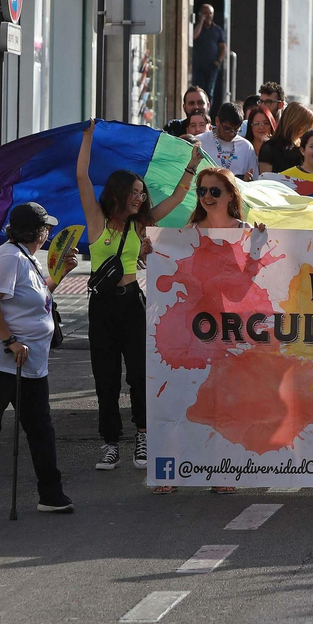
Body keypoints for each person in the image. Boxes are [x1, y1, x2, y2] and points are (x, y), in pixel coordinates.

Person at [76, 121, 202, 473]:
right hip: (101, 304)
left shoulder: (140, 224)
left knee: (138, 374)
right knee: (105, 376)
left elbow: (177, 198)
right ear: (118, 193)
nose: (140, 197)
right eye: (134, 192)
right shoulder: (97, 219)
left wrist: (191, 165)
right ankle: (110, 443)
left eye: (141, 192)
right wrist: (87, 138)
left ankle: (143, 436)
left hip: (132, 301)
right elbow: (83, 179)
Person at [0, 202, 75, 517]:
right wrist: (9, 340)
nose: (50, 232)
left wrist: (61, 275)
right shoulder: (9, 256)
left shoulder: (26, 257)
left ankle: (51, 494)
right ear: (37, 232)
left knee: (41, 427)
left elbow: (38, 298)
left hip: (31, 363)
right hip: (2, 361)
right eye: (47, 228)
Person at [198, 102, 259, 179]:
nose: (232, 134)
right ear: (217, 121)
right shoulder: (200, 142)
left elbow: (255, 180)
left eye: (236, 130)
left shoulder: (246, 147)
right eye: (227, 129)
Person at [258, 102, 313, 175]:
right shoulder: (269, 148)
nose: (308, 130)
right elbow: (265, 179)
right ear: (296, 124)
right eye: (307, 125)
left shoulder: (303, 147)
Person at [191, 4, 228, 101]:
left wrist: (219, 61)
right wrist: (201, 22)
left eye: (210, 13)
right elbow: (193, 36)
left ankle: (207, 111)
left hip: (212, 65)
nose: (208, 15)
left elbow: (223, 47)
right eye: (205, 13)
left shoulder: (218, 30)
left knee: (209, 90)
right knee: (197, 89)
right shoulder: (196, 27)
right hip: (198, 64)